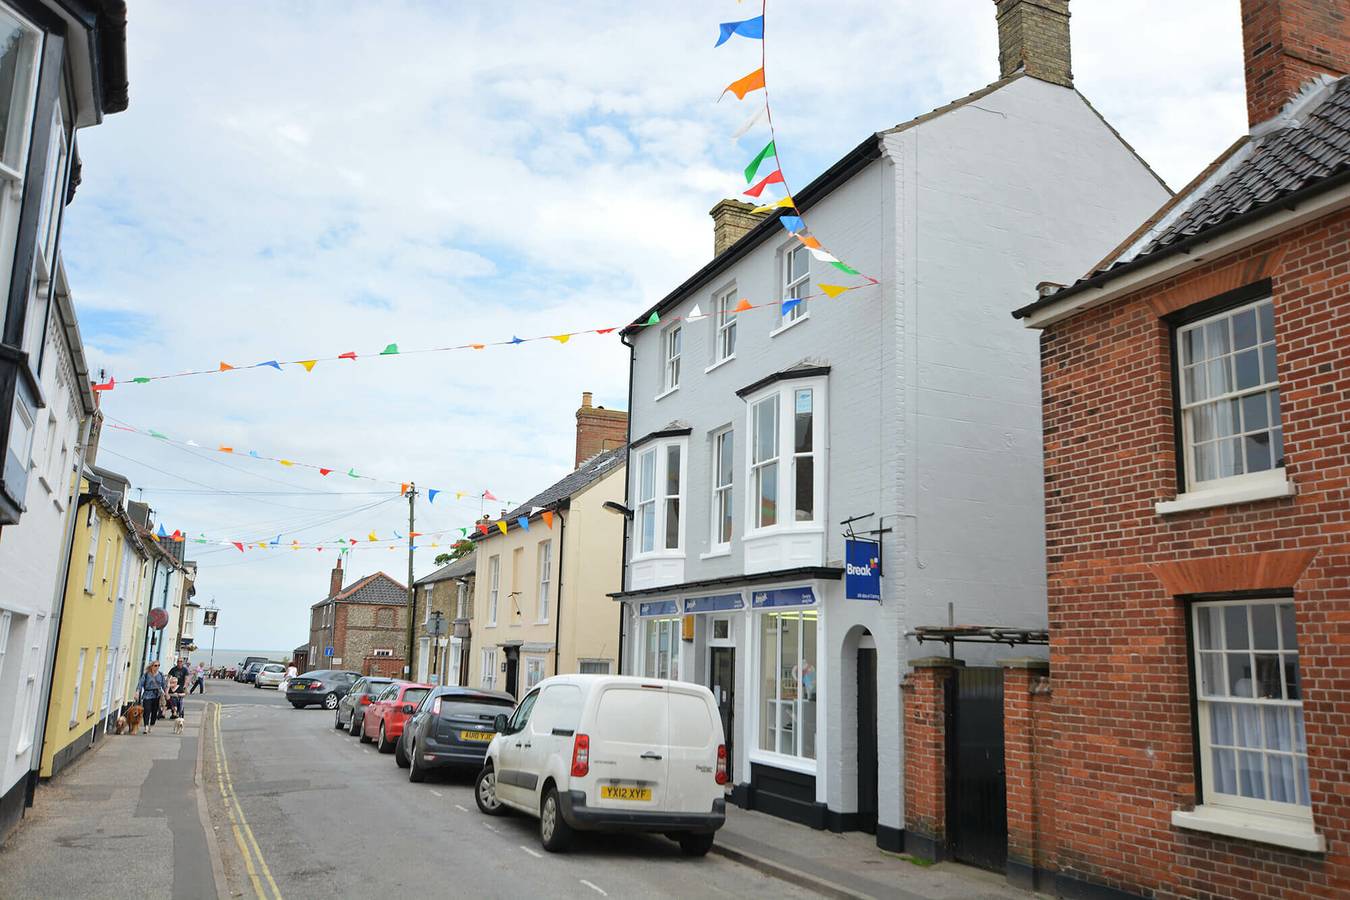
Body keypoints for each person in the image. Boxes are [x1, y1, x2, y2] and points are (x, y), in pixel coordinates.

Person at [137, 661, 167, 734]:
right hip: (147, 694)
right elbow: (140, 683)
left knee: (154, 711)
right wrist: (137, 692)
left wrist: (166, 693)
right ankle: (146, 726)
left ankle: (152, 725)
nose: (157, 667)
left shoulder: (160, 674)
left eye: (158, 665)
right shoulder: (146, 674)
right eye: (155, 665)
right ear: (151, 666)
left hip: (157, 695)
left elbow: (164, 685)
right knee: (146, 710)